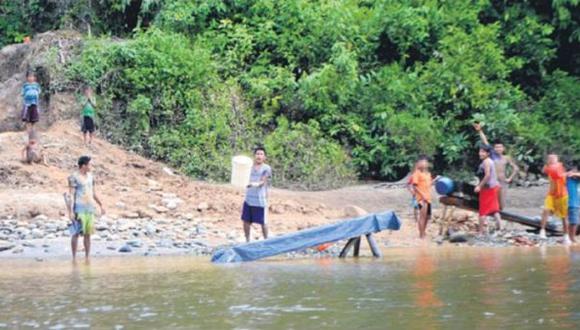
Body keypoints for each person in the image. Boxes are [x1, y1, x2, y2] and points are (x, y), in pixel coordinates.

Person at [473, 123, 519, 210]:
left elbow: (515, 168)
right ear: (494, 149)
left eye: (500, 147)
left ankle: (499, 216)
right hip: (493, 182)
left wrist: (509, 178)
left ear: (503, 148)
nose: (498, 149)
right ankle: (492, 216)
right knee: (491, 201)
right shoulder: (492, 155)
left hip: (503, 182)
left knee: (501, 203)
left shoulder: (507, 158)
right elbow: (485, 141)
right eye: (496, 147)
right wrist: (480, 131)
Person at [68, 156, 105, 260]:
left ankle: (87, 257)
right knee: (76, 233)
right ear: (83, 165)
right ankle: (74, 257)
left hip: (89, 208)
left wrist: (100, 204)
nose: (91, 166)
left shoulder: (90, 176)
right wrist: (70, 211)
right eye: (90, 164)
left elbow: (93, 192)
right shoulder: (73, 177)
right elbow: (71, 195)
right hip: (78, 208)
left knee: (88, 233)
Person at [241, 147, 272, 242]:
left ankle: (266, 241)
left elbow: (262, 182)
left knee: (263, 222)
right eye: (257, 154)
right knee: (246, 221)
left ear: (264, 157)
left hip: (260, 200)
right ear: (254, 156)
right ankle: (247, 240)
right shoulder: (248, 167)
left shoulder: (266, 168)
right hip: (249, 199)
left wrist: (253, 184)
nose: (259, 156)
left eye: (261, 154)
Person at [539, 153, 570, 244]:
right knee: (546, 210)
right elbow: (543, 170)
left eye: (553, 158)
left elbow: (559, 174)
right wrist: (548, 164)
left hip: (562, 195)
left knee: (564, 217)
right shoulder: (548, 167)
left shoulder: (560, 166)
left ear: (557, 159)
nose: (551, 159)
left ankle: (566, 236)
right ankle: (542, 231)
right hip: (551, 194)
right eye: (550, 158)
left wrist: (566, 174)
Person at [474, 144, 502, 235]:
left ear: (488, 153)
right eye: (480, 151)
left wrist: (479, 186)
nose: (480, 153)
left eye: (483, 152)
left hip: (487, 188)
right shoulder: (490, 161)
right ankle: (499, 228)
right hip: (494, 187)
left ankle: (480, 232)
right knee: (494, 209)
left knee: (483, 211)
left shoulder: (486, 162)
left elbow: (487, 175)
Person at [410, 156, 434, 239]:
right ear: (419, 163)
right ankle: (421, 234)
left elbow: (429, 184)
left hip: (428, 197)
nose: (424, 164)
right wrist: (422, 194)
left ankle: (423, 231)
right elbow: (414, 186)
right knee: (422, 216)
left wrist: (436, 180)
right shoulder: (417, 173)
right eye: (422, 162)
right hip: (421, 198)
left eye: (425, 162)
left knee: (427, 216)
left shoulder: (428, 174)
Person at [566, 166, 579, 244]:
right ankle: (571, 238)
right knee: (574, 222)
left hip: (576, 203)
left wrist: (574, 173)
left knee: (573, 221)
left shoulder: (576, 180)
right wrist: (568, 174)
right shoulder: (568, 180)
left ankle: (570, 237)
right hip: (571, 203)